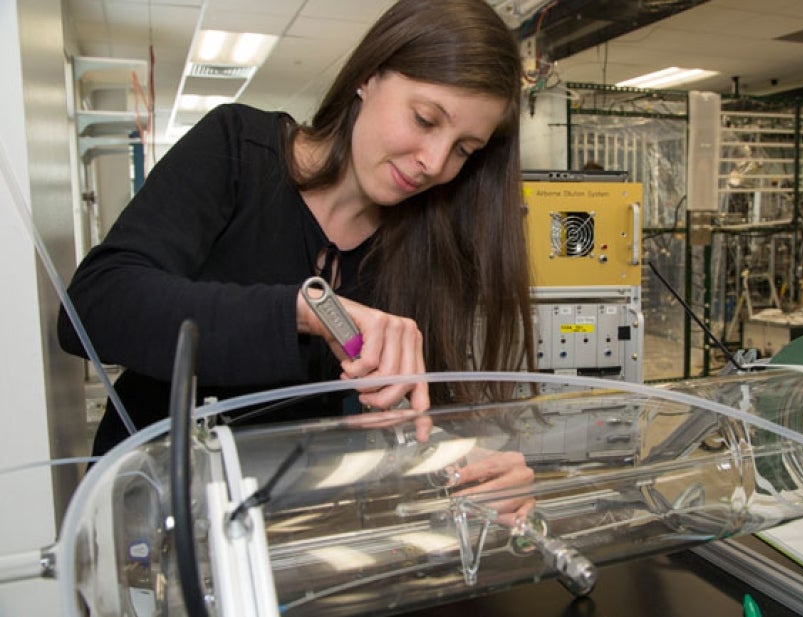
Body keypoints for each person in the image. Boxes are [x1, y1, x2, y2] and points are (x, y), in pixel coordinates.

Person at [57, 0, 535, 464]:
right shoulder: (237, 151)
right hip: (162, 492)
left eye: (464, 150)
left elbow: (418, 413)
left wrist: (467, 457)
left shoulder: (429, 240)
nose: (434, 162)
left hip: (298, 517)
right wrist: (305, 311)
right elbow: (94, 307)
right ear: (369, 76)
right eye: (425, 119)